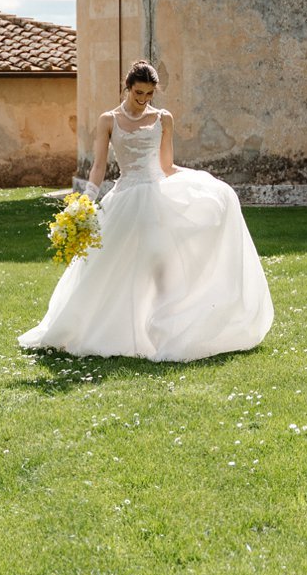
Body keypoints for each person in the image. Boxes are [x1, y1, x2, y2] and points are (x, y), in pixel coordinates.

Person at [19, 60, 273, 361]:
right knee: (109, 266)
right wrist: (86, 199)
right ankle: (98, 330)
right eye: (138, 93)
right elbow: (99, 165)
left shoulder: (163, 118)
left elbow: (166, 166)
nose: (143, 100)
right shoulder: (108, 120)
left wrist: (202, 180)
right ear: (128, 88)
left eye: (149, 94)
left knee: (162, 263)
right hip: (125, 198)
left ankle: (166, 332)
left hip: (156, 197)